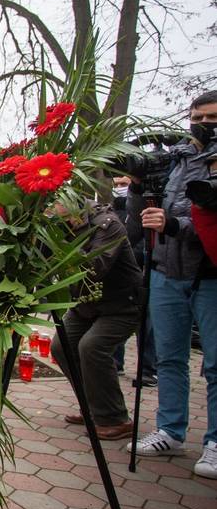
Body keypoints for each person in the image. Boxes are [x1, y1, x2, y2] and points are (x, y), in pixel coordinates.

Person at [125, 90, 217, 479]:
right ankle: (170, 429)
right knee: (169, 358)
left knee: (214, 363)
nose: (203, 123)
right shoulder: (177, 158)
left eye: (211, 117)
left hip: (208, 273)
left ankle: (214, 442)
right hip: (165, 270)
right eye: (197, 116)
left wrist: (176, 225)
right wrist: (135, 188)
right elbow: (142, 217)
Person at [50, 200, 142, 440]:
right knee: (61, 346)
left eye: (53, 202)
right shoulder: (61, 226)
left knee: (92, 347)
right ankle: (92, 406)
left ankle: (115, 418)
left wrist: (56, 246)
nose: (48, 208)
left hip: (121, 305)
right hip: (86, 305)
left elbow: (93, 267)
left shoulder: (107, 225)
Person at [111, 175, 158, 385]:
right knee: (114, 316)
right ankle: (115, 363)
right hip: (117, 273)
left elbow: (138, 237)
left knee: (144, 324)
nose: (119, 188)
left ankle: (147, 368)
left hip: (139, 268)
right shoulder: (113, 208)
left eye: (124, 185)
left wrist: (130, 257)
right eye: (117, 185)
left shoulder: (140, 207)